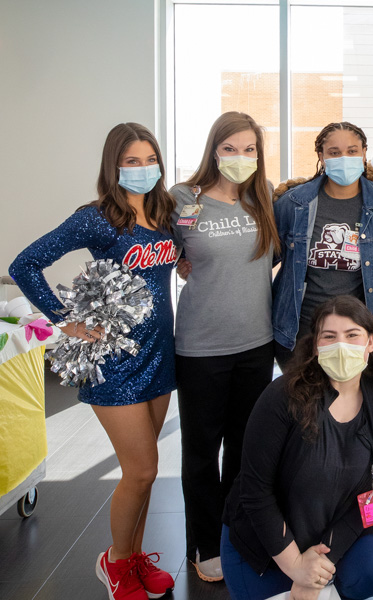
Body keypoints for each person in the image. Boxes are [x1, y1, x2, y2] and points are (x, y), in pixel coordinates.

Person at [9, 123, 177, 600]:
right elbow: (25, 263)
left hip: (160, 354)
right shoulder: (97, 218)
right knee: (141, 469)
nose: (143, 169)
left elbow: (171, 268)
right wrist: (66, 320)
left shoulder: (165, 212)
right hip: (115, 360)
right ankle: (116, 563)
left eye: (150, 160)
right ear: (113, 166)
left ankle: (136, 558)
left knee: (147, 468)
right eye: (132, 162)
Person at [220, 295, 373, 600]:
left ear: (371, 342)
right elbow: (255, 492)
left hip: (335, 530)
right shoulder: (282, 396)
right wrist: (295, 566)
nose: (341, 346)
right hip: (268, 538)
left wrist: (319, 568)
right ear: (316, 345)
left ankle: (330, 581)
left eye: (352, 335)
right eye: (329, 337)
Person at [170, 111, 280, 582]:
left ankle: (236, 533)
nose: (240, 157)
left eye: (249, 149)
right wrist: (179, 262)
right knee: (201, 452)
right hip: (200, 348)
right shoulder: (181, 198)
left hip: (256, 344)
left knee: (244, 449)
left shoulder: (264, 197)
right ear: (214, 149)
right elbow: (162, 251)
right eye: (231, 148)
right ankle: (203, 544)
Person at [271, 122, 373, 369]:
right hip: (302, 332)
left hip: (360, 333)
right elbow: (264, 260)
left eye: (352, 151)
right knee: (302, 405)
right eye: (334, 152)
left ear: (364, 153)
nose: (344, 158)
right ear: (321, 156)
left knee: (356, 404)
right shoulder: (293, 204)